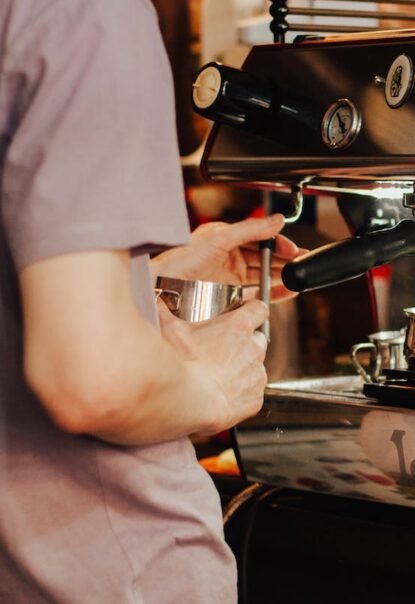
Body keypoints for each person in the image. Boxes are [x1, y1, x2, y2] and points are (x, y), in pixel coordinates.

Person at [0, 1, 301, 601]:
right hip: (99, 576)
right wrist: (212, 387)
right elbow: (95, 382)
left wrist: (136, 282)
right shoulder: (86, 14)